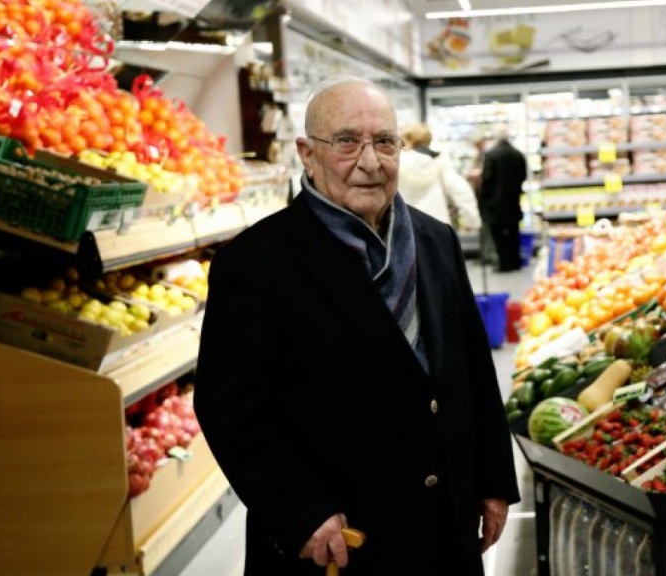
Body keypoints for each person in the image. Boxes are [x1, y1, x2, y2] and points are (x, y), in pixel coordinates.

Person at [193, 74, 520, 576]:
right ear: (307, 153)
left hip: (445, 526)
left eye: (385, 142)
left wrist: (493, 478)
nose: (370, 162)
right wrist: (300, 513)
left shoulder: (435, 241)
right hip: (341, 541)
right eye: (347, 142)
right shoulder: (255, 262)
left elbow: (474, 367)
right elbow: (229, 408)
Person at [397, 122, 481, 231]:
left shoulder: (397, 162)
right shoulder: (439, 161)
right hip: (438, 226)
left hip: (406, 226)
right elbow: (461, 191)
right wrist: (472, 221)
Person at [480, 124, 528, 272]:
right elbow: (523, 176)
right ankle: (515, 261)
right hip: (513, 200)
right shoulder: (518, 154)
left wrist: (483, 200)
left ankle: (503, 262)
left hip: (495, 203)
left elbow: (487, 180)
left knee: (498, 234)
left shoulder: (491, 155)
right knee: (513, 232)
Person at [464, 135, 498, 266]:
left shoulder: (488, 155)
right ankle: (485, 254)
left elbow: (488, 175)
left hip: (487, 197)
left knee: (487, 227)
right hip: (479, 195)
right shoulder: (478, 156)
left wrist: (477, 174)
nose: (477, 147)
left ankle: (489, 254)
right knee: (483, 227)